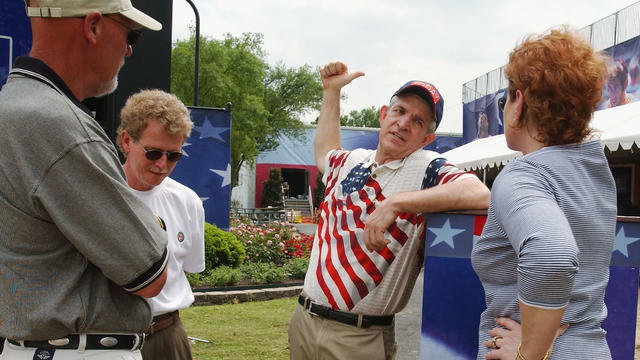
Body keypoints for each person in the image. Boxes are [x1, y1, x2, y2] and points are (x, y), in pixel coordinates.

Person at [0, 1, 170, 359]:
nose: (128, 50)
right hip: (78, 349)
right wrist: (153, 223)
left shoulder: (12, 105)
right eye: (129, 34)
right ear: (93, 26)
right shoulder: (58, 124)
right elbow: (151, 272)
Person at [288, 61, 490, 360]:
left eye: (418, 121)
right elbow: (324, 151)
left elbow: (480, 193)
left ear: (426, 139)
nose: (404, 123)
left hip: (359, 337)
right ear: (384, 114)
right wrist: (331, 92)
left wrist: (396, 203)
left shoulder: (426, 168)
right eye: (400, 111)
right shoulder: (351, 160)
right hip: (304, 320)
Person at [471, 27, 616, 360]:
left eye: (503, 99)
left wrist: (529, 353)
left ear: (519, 102)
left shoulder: (522, 175)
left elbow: (553, 255)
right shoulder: (596, 173)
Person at [117, 89, 205, 360]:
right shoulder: (99, 196)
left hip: (167, 336)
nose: (163, 165)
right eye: (153, 153)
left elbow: (186, 269)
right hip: (109, 339)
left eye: (174, 155)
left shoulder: (187, 201)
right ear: (126, 141)